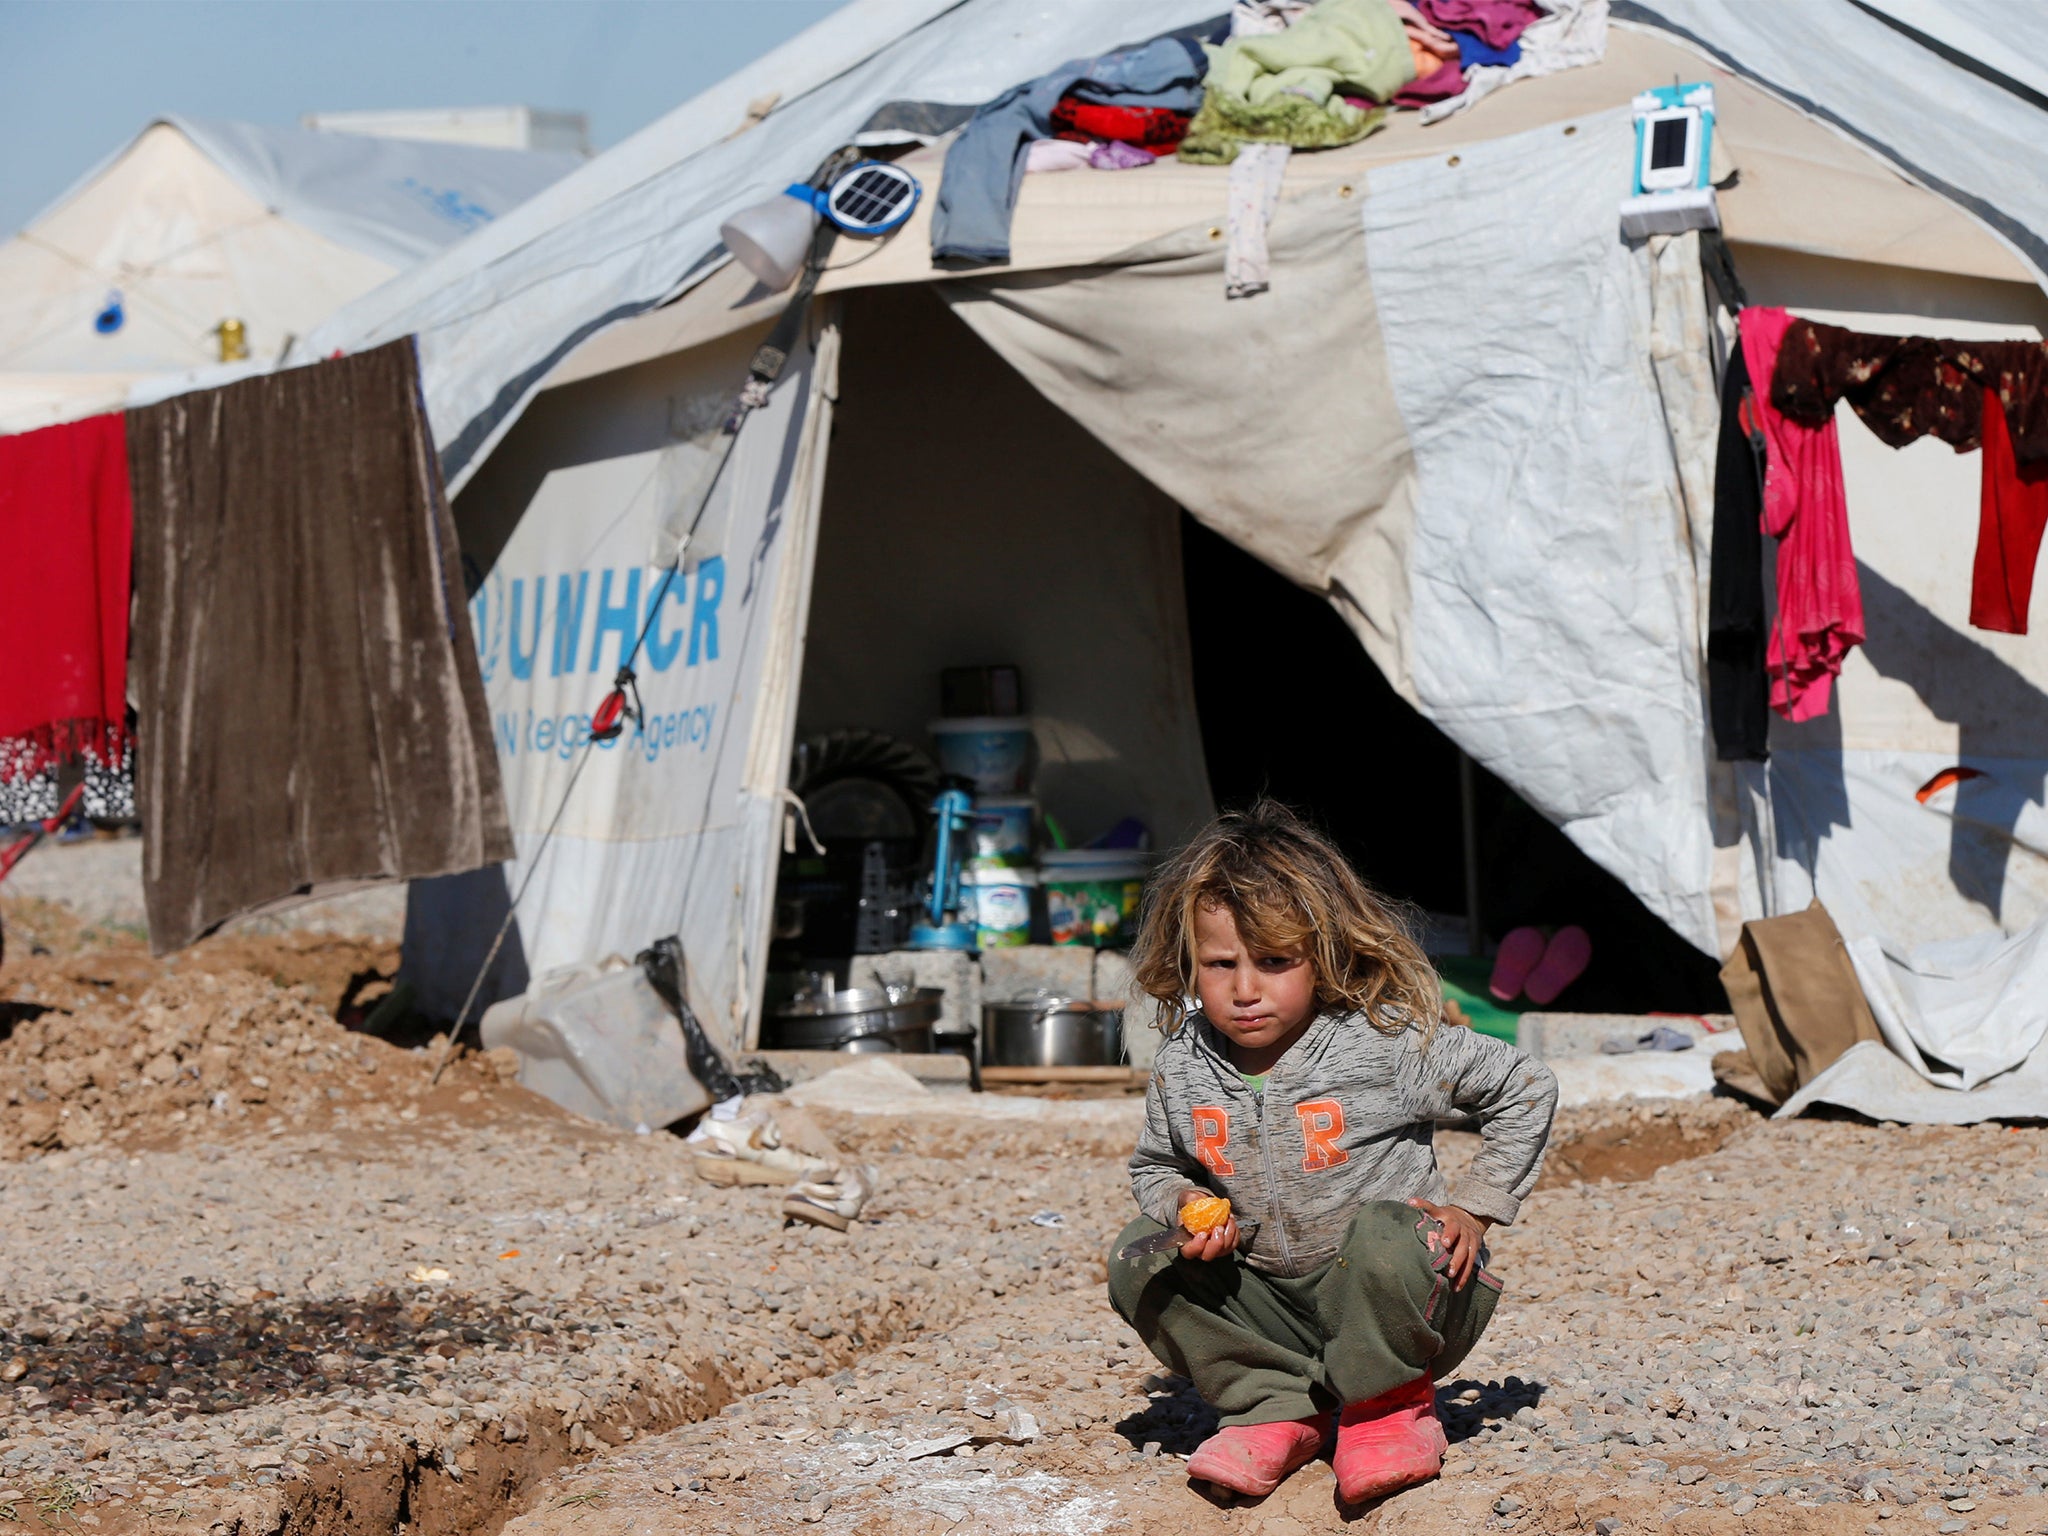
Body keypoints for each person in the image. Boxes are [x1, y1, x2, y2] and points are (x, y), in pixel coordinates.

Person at [1108, 800, 1558, 1504]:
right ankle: (1277, 1406)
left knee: (1384, 1233)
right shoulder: (1184, 1065)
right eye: (1221, 964)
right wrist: (1187, 1202)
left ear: (1323, 953)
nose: (1246, 989)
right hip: (1269, 1301)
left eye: (1274, 961)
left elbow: (1524, 1085)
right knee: (1141, 1254)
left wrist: (1477, 1208)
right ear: (1189, 962)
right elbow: (1154, 1166)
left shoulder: (1383, 1043)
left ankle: (1390, 1406)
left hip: (1406, 1299)